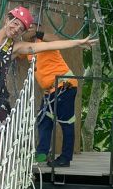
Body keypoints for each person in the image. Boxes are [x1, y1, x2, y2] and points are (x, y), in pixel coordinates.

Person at [0, 6, 97, 144]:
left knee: (2, 144)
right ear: (7, 19)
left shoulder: (15, 48)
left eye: (21, 29)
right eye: (15, 23)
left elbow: (50, 45)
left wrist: (77, 42)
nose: (16, 30)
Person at [21, 27, 95, 167]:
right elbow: (16, 50)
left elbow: (57, 40)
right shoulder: (28, 48)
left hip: (64, 85)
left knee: (66, 122)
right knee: (44, 121)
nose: (26, 31)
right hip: (51, 90)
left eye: (29, 28)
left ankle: (65, 158)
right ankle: (42, 154)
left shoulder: (46, 41)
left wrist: (38, 32)